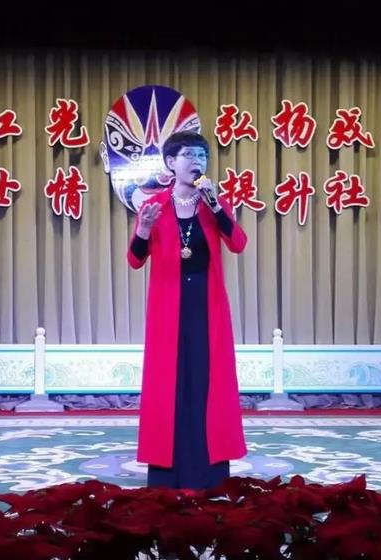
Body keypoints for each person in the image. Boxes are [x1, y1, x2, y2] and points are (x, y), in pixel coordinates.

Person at [127, 131, 247, 490]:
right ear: (170, 163)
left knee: (207, 384)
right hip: (168, 308)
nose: (197, 162)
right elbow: (134, 260)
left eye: (202, 156)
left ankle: (210, 474)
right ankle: (168, 475)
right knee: (170, 386)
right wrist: (143, 230)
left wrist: (216, 206)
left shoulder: (212, 204)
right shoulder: (154, 206)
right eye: (189, 155)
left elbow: (237, 243)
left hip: (207, 307)